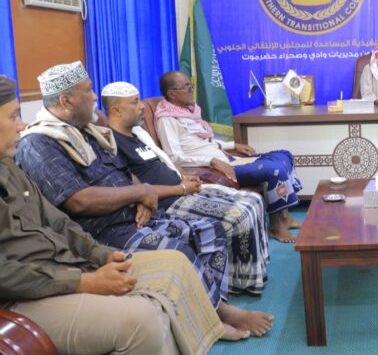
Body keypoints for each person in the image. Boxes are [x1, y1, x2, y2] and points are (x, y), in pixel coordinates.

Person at [0, 75, 273, 354]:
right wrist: (86, 278)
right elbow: (78, 202)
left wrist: (106, 247)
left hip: (91, 245)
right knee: (151, 303)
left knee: (194, 243)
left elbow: (59, 221)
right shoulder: (38, 144)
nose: (21, 125)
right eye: (13, 116)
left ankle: (214, 313)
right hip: (102, 233)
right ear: (66, 100)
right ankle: (213, 317)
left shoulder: (80, 136)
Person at [102, 81, 269, 294]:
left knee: (254, 200)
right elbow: (134, 188)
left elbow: (162, 161)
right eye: (135, 102)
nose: (142, 106)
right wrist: (181, 188)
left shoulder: (137, 135)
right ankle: (241, 283)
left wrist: (182, 176)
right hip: (169, 200)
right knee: (240, 214)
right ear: (116, 111)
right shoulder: (112, 144)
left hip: (182, 187)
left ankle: (254, 272)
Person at [155, 71, 303, 243]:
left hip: (226, 160)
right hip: (213, 170)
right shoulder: (167, 119)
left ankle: (284, 217)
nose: (191, 89)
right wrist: (211, 161)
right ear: (172, 93)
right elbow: (173, 157)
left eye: (191, 85)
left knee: (284, 155)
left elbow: (206, 142)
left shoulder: (188, 112)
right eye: (186, 87)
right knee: (274, 169)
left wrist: (233, 145)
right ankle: (277, 227)